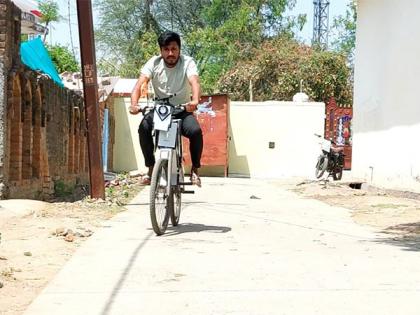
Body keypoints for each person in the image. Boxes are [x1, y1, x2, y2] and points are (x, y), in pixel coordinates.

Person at [130, 31, 203, 187]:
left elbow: (194, 82)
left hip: (182, 110)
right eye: (166, 49)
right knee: (143, 128)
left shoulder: (187, 62)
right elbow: (138, 85)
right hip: (160, 110)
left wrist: (195, 100)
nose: (170, 53)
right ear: (161, 51)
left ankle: (195, 169)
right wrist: (134, 104)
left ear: (179, 49)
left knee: (195, 131)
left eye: (174, 49)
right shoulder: (154, 63)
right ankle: (151, 169)